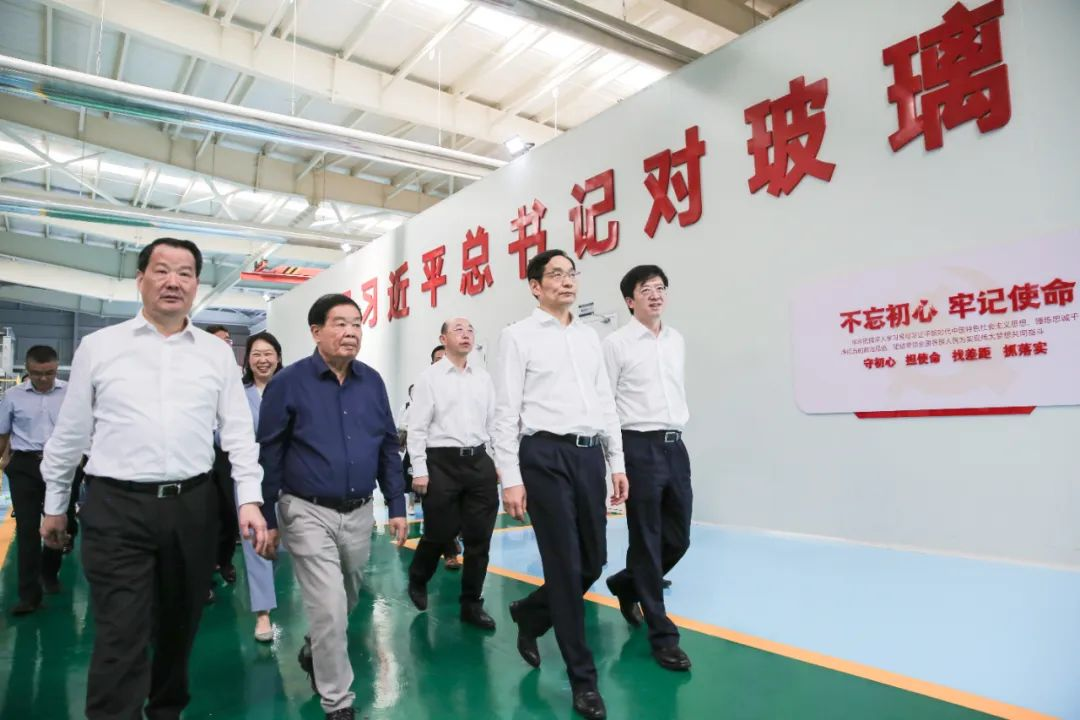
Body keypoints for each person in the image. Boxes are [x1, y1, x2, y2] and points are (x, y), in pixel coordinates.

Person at [39, 237, 268, 720]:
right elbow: (71, 433)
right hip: (116, 507)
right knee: (121, 631)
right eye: (162, 270)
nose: (173, 282)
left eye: (185, 273)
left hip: (192, 506)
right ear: (140, 279)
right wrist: (54, 505)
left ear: (197, 285)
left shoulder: (215, 354)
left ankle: (166, 709)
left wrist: (249, 498)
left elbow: (238, 433)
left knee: (179, 626)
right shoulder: (100, 347)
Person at [256, 293, 408, 720]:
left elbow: (387, 446)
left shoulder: (372, 382)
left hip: (359, 512)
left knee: (347, 597)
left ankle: (315, 646)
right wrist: (268, 517)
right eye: (340, 323)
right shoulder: (289, 383)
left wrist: (396, 504)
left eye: (357, 324)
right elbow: (269, 452)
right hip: (305, 510)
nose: (351, 332)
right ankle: (337, 701)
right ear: (316, 331)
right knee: (328, 606)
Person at [493, 249, 628, 720]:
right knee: (566, 565)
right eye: (556, 274)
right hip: (543, 455)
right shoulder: (517, 336)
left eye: (572, 273)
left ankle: (532, 613)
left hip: (588, 455)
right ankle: (583, 680)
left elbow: (606, 402)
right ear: (535, 286)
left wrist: (615, 462)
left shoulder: (590, 337)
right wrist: (511, 477)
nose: (567, 281)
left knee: (593, 560)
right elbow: (505, 412)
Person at [602, 265, 693, 672]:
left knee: (679, 538)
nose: (656, 295)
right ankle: (662, 636)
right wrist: (616, 463)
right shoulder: (616, 344)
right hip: (638, 445)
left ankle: (627, 583)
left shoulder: (676, 340)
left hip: (675, 446)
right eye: (646, 289)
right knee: (646, 539)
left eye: (660, 288)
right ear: (629, 300)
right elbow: (606, 406)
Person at [406, 317, 499, 630]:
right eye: (458, 330)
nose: (466, 334)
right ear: (443, 339)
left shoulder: (483, 378)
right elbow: (417, 428)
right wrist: (420, 469)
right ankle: (418, 577)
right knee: (440, 531)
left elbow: (493, 423)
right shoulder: (429, 378)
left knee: (479, 539)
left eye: (471, 329)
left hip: (479, 461)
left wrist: (498, 461)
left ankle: (471, 604)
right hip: (442, 463)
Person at [0, 345, 72, 614]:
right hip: (25, 466)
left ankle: (49, 571)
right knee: (27, 529)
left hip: (63, 466)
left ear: (57, 367)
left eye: (49, 373)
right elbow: (3, 433)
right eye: (36, 373)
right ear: (27, 369)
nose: (43, 378)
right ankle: (29, 595)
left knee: (63, 524)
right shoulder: (13, 396)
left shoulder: (71, 394)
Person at [241, 331, 285, 642]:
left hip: (289, 475)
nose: (262, 360)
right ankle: (263, 613)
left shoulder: (290, 390)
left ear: (278, 358)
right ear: (248, 360)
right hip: (250, 476)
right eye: (256, 354)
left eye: (268, 353)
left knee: (279, 543)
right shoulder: (237, 394)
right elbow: (221, 432)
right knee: (255, 540)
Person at [206, 323, 240, 589]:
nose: (224, 345)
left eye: (227, 341)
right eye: (217, 341)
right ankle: (203, 574)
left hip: (227, 452)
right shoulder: (193, 371)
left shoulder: (237, 374)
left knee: (229, 510)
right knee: (202, 514)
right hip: (199, 450)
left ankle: (225, 560)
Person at [427, 343, 462, 570]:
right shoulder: (426, 387)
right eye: (438, 360)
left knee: (461, 506)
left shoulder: (468, 387)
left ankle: (453, 537)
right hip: (437, 460)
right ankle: (450, 552)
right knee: (441, 508)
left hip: (466, 459)